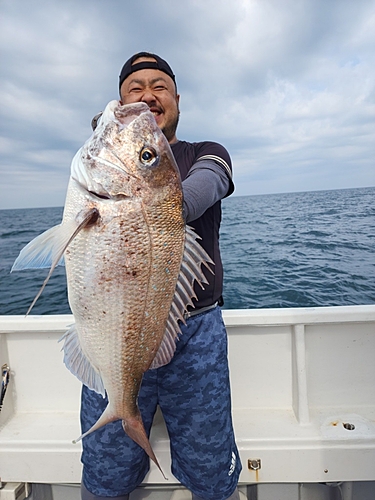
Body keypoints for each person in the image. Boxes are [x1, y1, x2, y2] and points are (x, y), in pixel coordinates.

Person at [81, 52, 242, 500]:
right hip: (114, 331)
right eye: (136, 88)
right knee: (104, 471)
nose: (149, 94)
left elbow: (196, 192)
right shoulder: (103, 162)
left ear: (176, 99)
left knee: (211, 472)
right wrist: (119, 135)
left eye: (160, 87)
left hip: (196, 335)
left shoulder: (207, 154)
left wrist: (141, 176)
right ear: (119, 99)